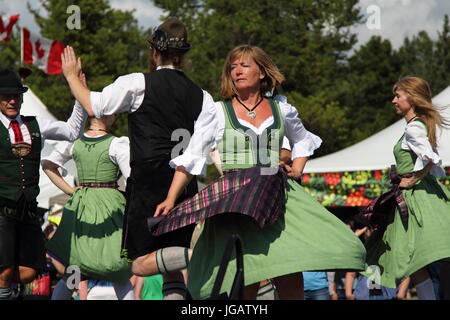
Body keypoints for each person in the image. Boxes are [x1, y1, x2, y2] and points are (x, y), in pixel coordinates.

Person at [154, 45, 366, 300]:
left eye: (244, 65)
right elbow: (193, 157)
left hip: (277, 195)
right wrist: (170, 198)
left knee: (288, 269)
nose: (237, 71)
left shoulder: (281, 109)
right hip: (237, 200)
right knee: (245, 275)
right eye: (233, 67)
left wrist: (297, 168)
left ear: (262, 73)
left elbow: (303, 140)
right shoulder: (218, 112)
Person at [60, 18, 215, 300]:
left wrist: (71, 76)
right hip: (183, 185)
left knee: (140, 263)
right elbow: (197, 154)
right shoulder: (203, 97)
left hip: (148, 183)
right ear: (182, 57)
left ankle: (203, 255)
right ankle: (194, 257)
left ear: (155, 52)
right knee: (171, 270)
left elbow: (96, 105)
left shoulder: (137, 83)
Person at [358, 76, 450, 300]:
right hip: (412, 197)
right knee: (412, 260)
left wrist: (412, 178)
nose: (393, 100)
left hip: (417, 198)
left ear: (412, 97)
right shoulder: (416, 125)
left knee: (413, 256)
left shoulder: (413, 128)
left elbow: (431, 159)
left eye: (398, 96)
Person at [0, 68, 86, 300]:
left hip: (28, 211)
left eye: (16, 96)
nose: (12, 101)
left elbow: (72, 131)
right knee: (5, 271)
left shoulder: (36, 125)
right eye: (6, 96)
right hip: (2, 210)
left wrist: (80, 95)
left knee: (29, 273)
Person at [42, 90, 134, 300]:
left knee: (74, 271)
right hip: (110, 209)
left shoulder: (75, 141)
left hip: (80, 207)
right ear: (110, 115)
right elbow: (132, 180)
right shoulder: (117, 144)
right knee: (117, 271)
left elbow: (48, 165)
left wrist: (71, 190)